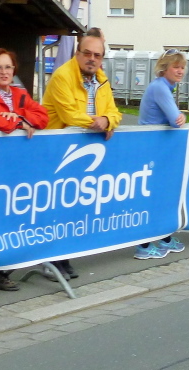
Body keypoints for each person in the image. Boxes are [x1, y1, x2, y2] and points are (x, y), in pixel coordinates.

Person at [42, 34, 123, 280]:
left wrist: (108, 120)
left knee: (73, 207)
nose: (91, 59)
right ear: (77, 54)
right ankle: (49, 260)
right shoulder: (62, 76)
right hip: (57, 152)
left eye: (97, 55)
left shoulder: (101, 79)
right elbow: (69, 114)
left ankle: (63, 258)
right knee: (56, 208)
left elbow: (114, 112)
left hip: (84, 153)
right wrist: (99, 123)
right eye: (87, 53)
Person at [0, 48, 49, 298]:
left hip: (14, 168)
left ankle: (1, 272)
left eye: (8, 67)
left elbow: (42, 117)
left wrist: (18, 115)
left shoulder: (20, 94)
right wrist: (17, 122)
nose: (4, 72)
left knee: (9, 219)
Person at [133, 49, 188, 259]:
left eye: (182, 67)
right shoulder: (160, 88)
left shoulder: (163, 86)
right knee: (152, 197)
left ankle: (163, 237)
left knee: (160, 195)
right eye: (176, 67)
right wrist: (181, 116)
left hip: (156, 149)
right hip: (150, 149)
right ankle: (143, 245)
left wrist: (181, 117)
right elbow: (176, 120)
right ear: (165, 69)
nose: (180, 71)